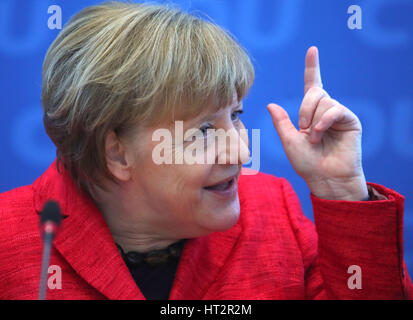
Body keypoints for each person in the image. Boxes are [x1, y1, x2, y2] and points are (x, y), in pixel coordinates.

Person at [0, 1, 411, 300]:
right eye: (202, 131)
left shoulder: (273, 211)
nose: (242, 150)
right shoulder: (9, 242)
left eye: (235, 115)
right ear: (118, 154)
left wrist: (341, 192)